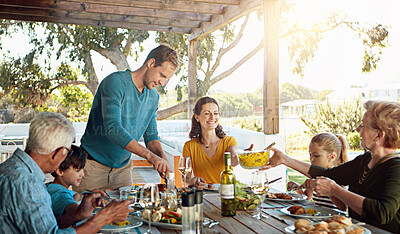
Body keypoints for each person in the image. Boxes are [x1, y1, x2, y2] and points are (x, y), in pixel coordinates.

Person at [264, 100, 400, 233]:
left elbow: (381, 212)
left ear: (379, 135)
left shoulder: (396, 168)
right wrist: (284, 159)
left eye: (363, 125)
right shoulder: (364, 160)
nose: (357, 129)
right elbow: (328, 174)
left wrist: (335, 190)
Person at [0, 112, 131, 233]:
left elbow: (43, 228)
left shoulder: (12, 168)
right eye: (67, 152)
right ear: (58, 153)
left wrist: (77, 215)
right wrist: (105, 217)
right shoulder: (25, 184)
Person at [75, 44, 180, 193]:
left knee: (126, 216)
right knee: (85, 215)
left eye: (166, 79)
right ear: (151, 63)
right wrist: (150, 157)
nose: (162, 83)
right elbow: (113, 128)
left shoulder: (153, 97)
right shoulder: (115, 83)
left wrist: (162, 159)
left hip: (122, 171)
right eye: (162, 75)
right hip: (92, 167)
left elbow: (151, 136)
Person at [182, 97, 239, 189]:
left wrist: (243, 156)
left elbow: (233, 160)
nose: (212, 117)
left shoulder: (229, 141)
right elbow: (185, 180)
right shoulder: (189, 146)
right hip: (203, 196)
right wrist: (194, 181)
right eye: (207, 113)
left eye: (215, 113)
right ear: (197, 117)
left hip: (226, 193)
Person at [287, 133, 348, 210]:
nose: (311, 159)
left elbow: (343, 207)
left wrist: (329, 189)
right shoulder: (315, 176)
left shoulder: (339, 177)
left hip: (335, 219)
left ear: (332, 157)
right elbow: (307, 199)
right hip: (317, 217)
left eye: (316, 155)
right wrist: (297, 189)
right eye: (310, 155)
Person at [46, 145, 86, 220]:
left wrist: (74, 198)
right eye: (77, 170)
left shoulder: (51, 187)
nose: (82, 174)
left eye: (82, 170)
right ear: (60, 171)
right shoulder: (59, 194)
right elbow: (77, 213)